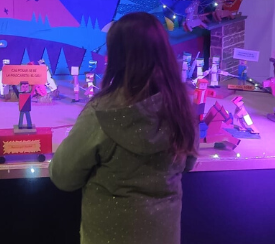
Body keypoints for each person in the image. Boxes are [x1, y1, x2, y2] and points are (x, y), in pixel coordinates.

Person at [49, 12, 199, 244]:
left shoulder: (101, 112)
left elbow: (63, 176)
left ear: (117, 57)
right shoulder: (181, 107)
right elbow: (189, 163)